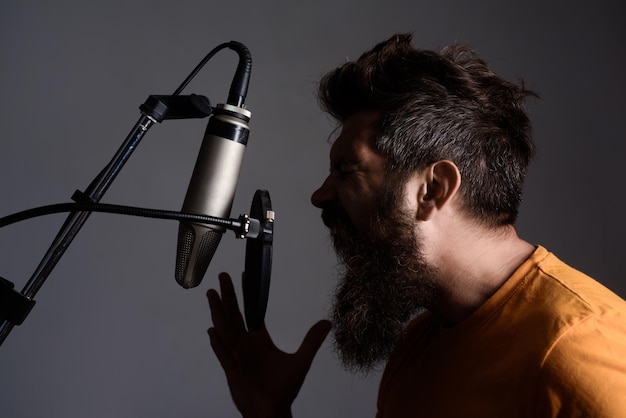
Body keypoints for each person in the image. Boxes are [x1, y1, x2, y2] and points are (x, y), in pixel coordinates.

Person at [206, 33, 626, 417]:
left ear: (433, 189)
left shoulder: (578, 353)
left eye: (347, 170)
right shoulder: (420, 345)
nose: (320, 196)